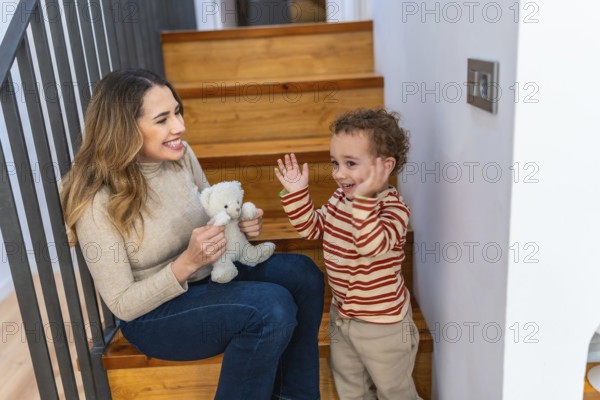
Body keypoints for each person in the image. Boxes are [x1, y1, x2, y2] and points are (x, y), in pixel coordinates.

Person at [60, 68, 324, 400]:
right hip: (154, 315)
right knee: (271, 308)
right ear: (124, 128)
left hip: (208, 276)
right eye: (162, 119)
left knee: (304, 274)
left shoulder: (181, 156)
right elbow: (123, 304)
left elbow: (214, 213)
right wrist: (186, 263)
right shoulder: (97, 199)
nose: (179, 127)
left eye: (177, 112)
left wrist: (238, 226)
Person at [274, 108, 421, 400]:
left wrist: (364, 202)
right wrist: (297, 194)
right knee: (349, 387)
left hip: (384, 326)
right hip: (343, 315)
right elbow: (313, 229)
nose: (339, 174)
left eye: (350, 163)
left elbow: (372, 244)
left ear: (385, 166)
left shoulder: (394, 210)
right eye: (335, 163)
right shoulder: (341, 198)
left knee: (395, 391)